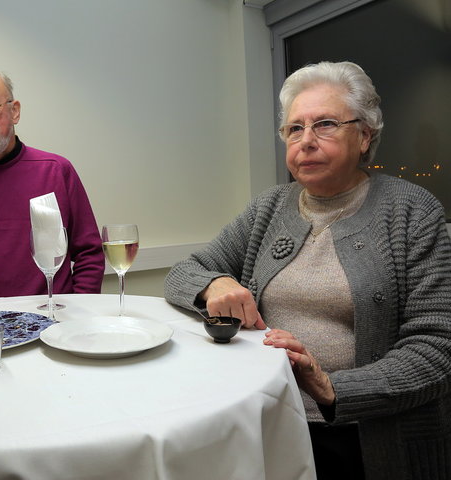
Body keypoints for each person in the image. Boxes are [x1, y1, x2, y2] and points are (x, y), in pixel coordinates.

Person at [164, 61, 451, 480]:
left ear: (364, 135)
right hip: (270, 417)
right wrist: (215, 283)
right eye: (294, 129)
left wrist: (332, 388)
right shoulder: (269, 207)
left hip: (365, 436)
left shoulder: (413, 211)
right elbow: (183, 272)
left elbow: (437, 346)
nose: (306, 141)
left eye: (326, 124)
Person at [0, 71, 104, 304]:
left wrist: (77, 311)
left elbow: (89, 254)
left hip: (52, 317)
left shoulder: (56, 171)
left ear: (15, 111)